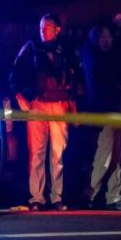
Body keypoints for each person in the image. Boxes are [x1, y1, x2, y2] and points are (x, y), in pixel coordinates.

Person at [10, 13, 79, 211]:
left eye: (47, 26)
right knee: (37, 153)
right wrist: (20, 97)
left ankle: (57, 196)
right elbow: (14, 74)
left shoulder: (66, 49)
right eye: (41, 26)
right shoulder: (30, 47)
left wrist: (73, 106)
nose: (43, 29)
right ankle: (36, 198)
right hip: (37, 105)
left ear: (57, 29)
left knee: (58, 154)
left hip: (59, 105)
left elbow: (76, 78)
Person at [80, 24, 121, 211]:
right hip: (103, 113)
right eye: (109, 36)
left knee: (116, 157)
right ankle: (90, 195)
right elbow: (102, 83)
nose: (112, 40)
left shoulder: (106, 58)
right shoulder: (92, 56)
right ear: (100, 39)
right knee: (104, 156)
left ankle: (113, 196)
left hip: (114, 112)